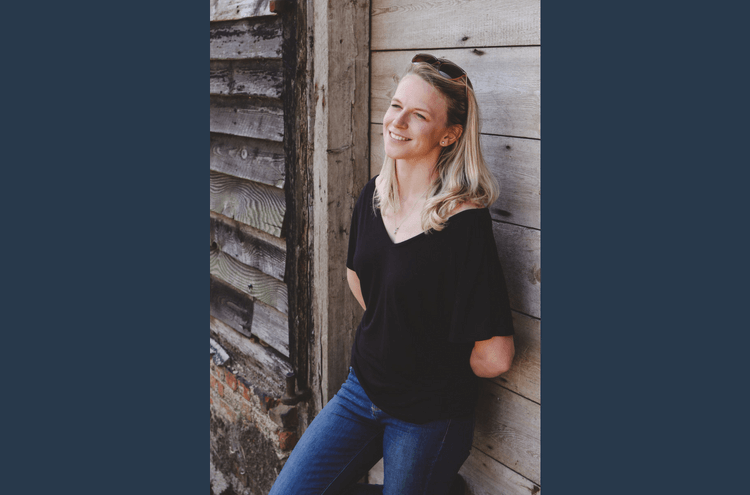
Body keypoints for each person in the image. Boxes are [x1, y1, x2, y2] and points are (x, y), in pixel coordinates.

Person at [268, 54, 515, 495]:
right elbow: (360, 282)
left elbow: (494, 356)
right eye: (396, 105)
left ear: (449, 134)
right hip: (359, 392)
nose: (397, 121)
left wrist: (425, 362)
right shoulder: (374, 197)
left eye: (418, 114)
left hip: (427, 417)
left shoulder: (465, 224)